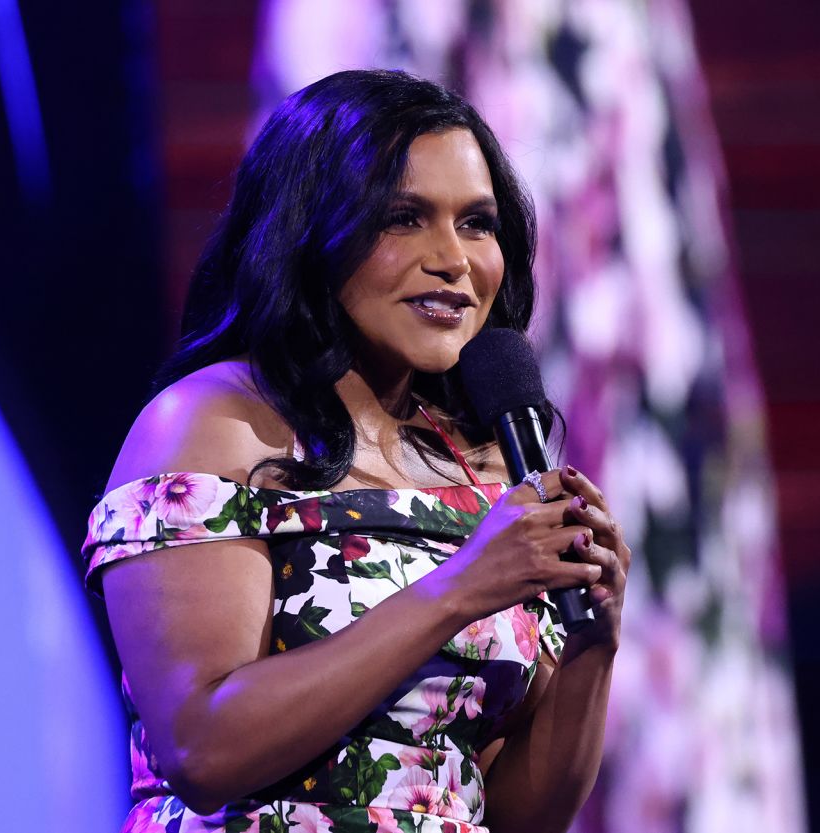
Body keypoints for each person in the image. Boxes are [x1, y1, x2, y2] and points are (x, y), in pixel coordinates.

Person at [82, 69, 631, 833]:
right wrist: (462, 588)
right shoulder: (214, 425)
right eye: (405, 218)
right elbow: (202, 749)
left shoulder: (486, 471)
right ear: (311, 232)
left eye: (477, 223)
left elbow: (514, 816)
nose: (454, 259)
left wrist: (593, 644)